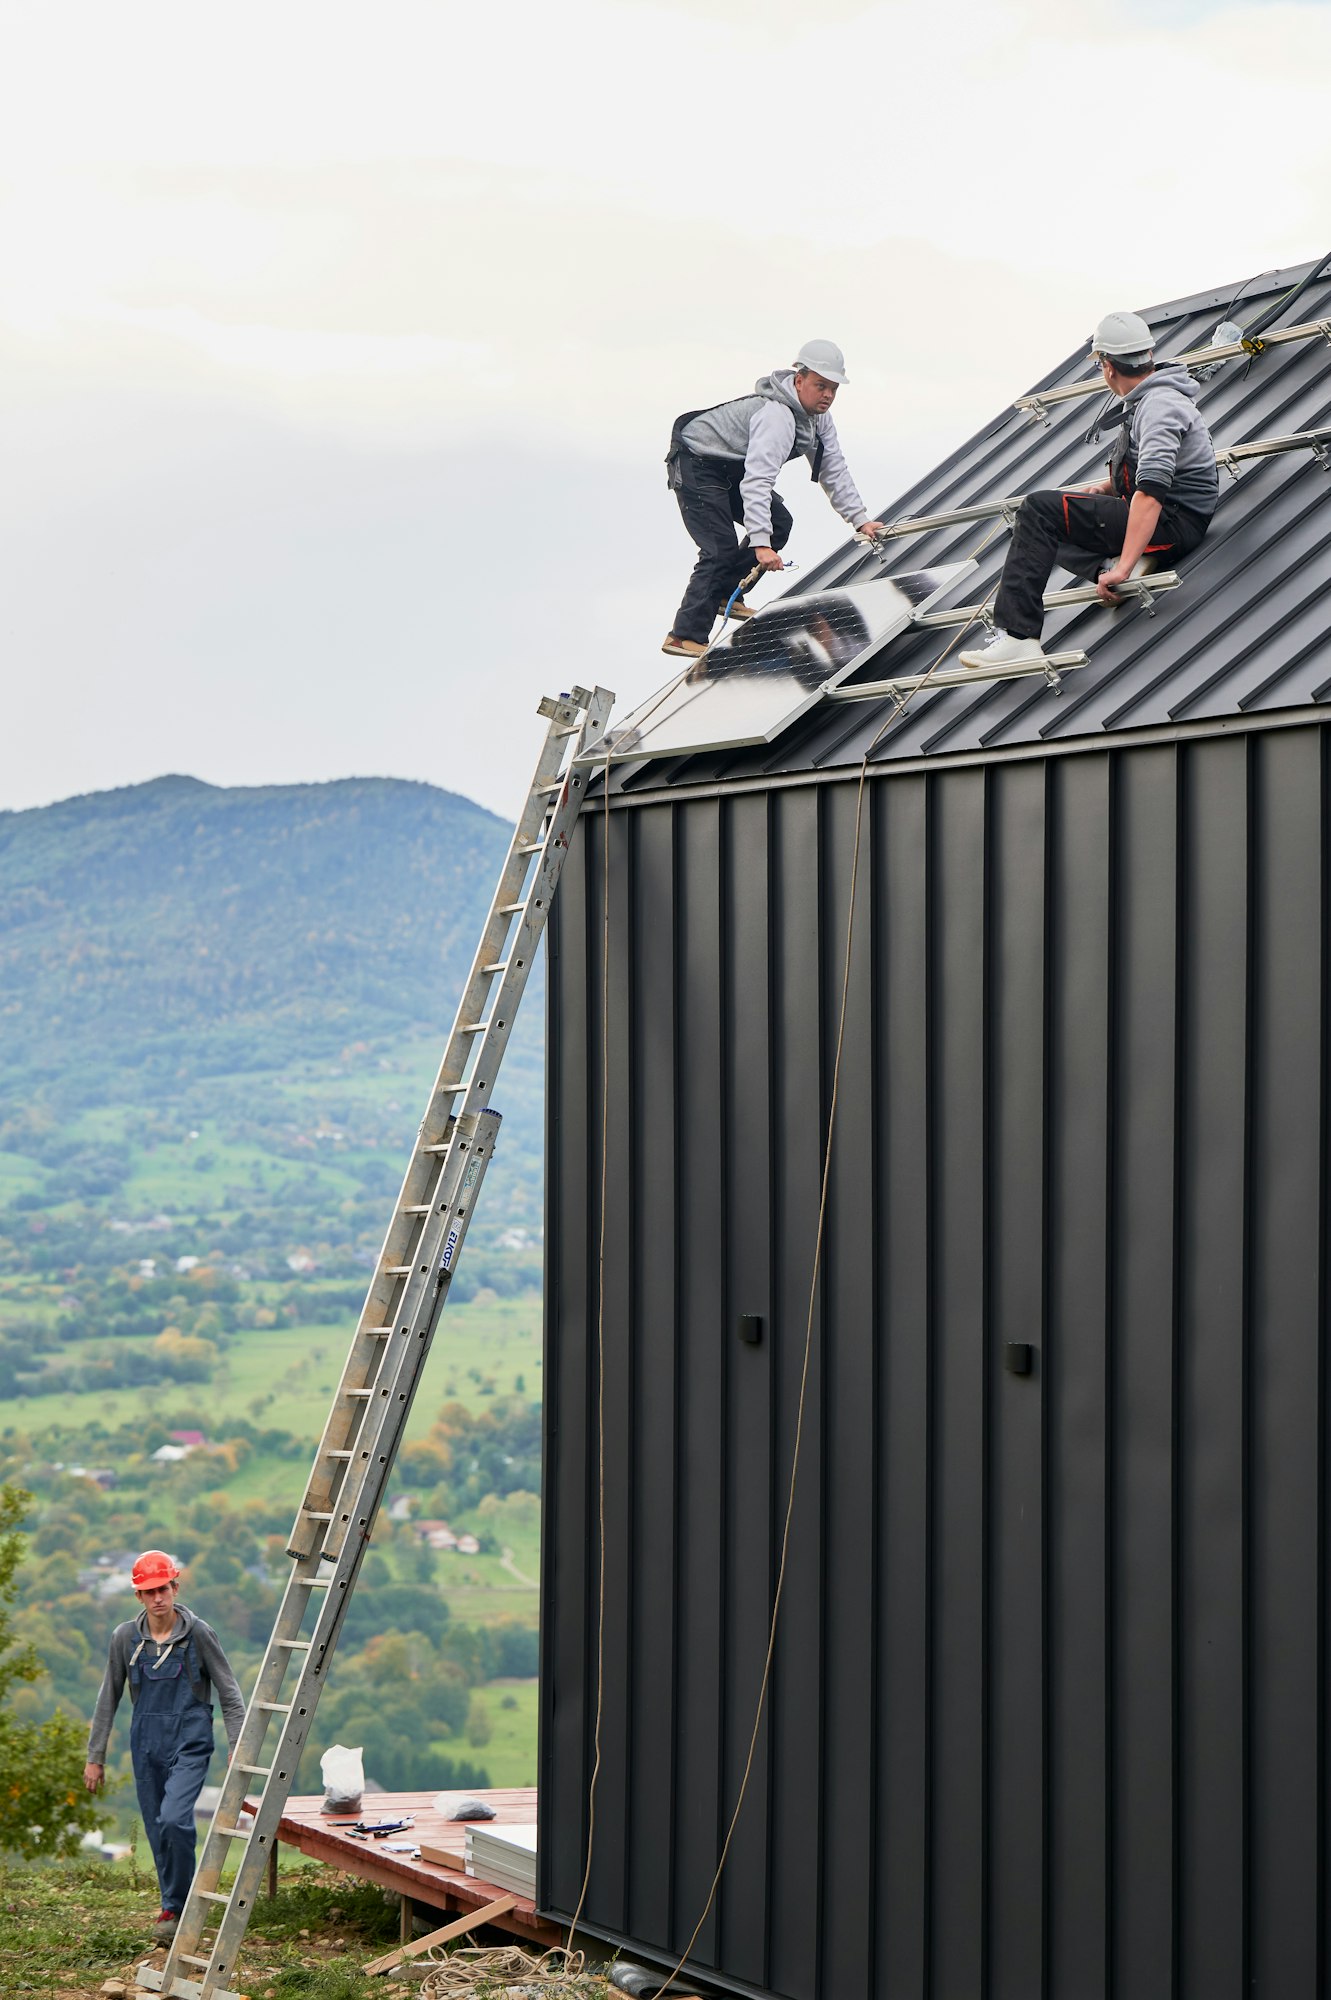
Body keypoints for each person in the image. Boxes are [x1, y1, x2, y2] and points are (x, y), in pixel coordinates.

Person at [959, 310, 1219, 672]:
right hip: (1170, 519)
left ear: (1108, 366)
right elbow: (1160, 469)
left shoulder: (1159, 405)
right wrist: (1110, 488)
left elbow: (1152, 491)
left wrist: (1125, 569)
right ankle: (1105, 564)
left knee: (1037, 510)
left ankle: (1018, 637)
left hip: (1171, 522)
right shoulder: (1155, 399)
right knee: (1042, 527)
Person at [662, 339, 886, 660]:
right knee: (719, 548)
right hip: (696, 460)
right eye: (820, 385)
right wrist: (761, 544)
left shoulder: (817, 419)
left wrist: (859, 519)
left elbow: (832, 467)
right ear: (799, 380)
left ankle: (727, 595)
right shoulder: (777, 416)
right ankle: (684, 635)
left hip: (729, 465)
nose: (827, 395)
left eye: (833, 389)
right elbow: (758, 480)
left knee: (779, 522)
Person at [84, 1550, 244, 1943]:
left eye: (163, 1589)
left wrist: (238, 1745)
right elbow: (109, 1697)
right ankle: (173, 1907)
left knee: (175, 1819)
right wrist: (95, 1756)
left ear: (175, 1587)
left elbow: (230, 1693)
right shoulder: (124, 1638)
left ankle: (182, 1902)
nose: (158, 1598)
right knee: (158, 1830)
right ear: (139, 1596)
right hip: (146, 1745)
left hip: (190, 1741)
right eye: (149, 1591)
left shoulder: (200, 1634)